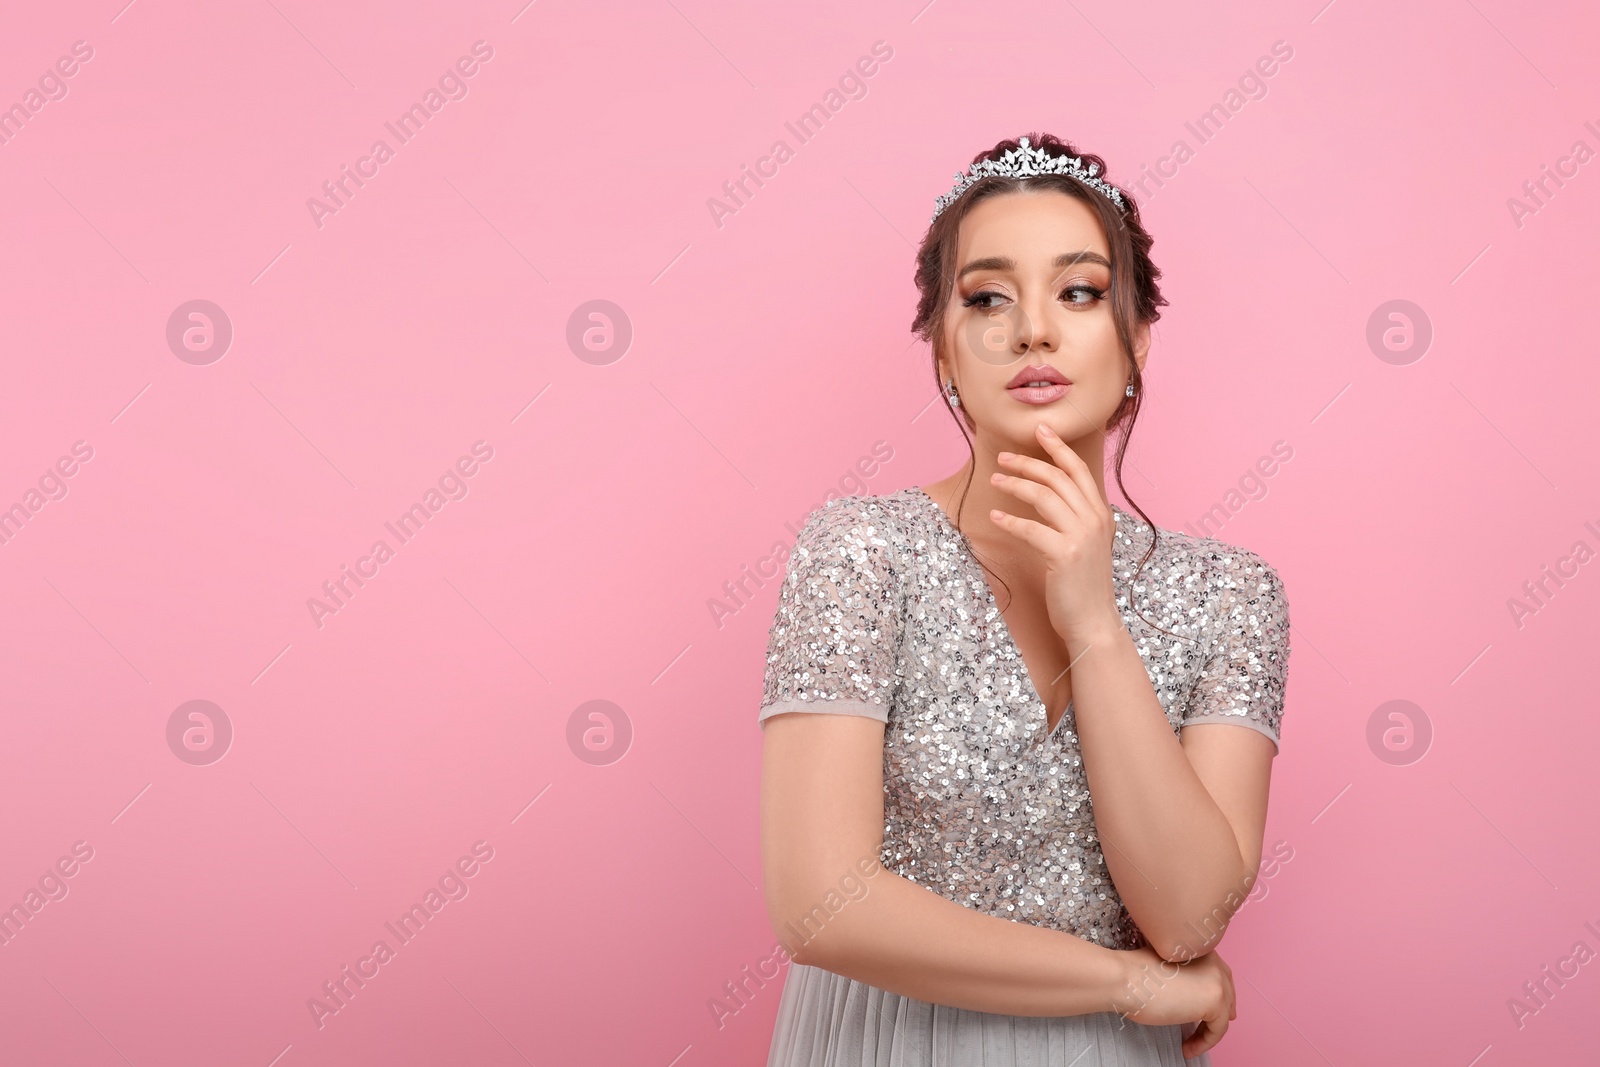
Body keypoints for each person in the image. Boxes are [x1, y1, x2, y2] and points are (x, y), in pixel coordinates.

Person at [757, 133, 1293, 1065]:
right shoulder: (861, 553)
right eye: (987, 297)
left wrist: (1092, 616)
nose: (1033, 329)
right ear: (944, 353)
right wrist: (1131, 986)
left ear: (1137, 340)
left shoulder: (1230, 596)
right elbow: (820, 903)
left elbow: (1188, 914)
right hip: (886, 1041)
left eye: (1079, 291)